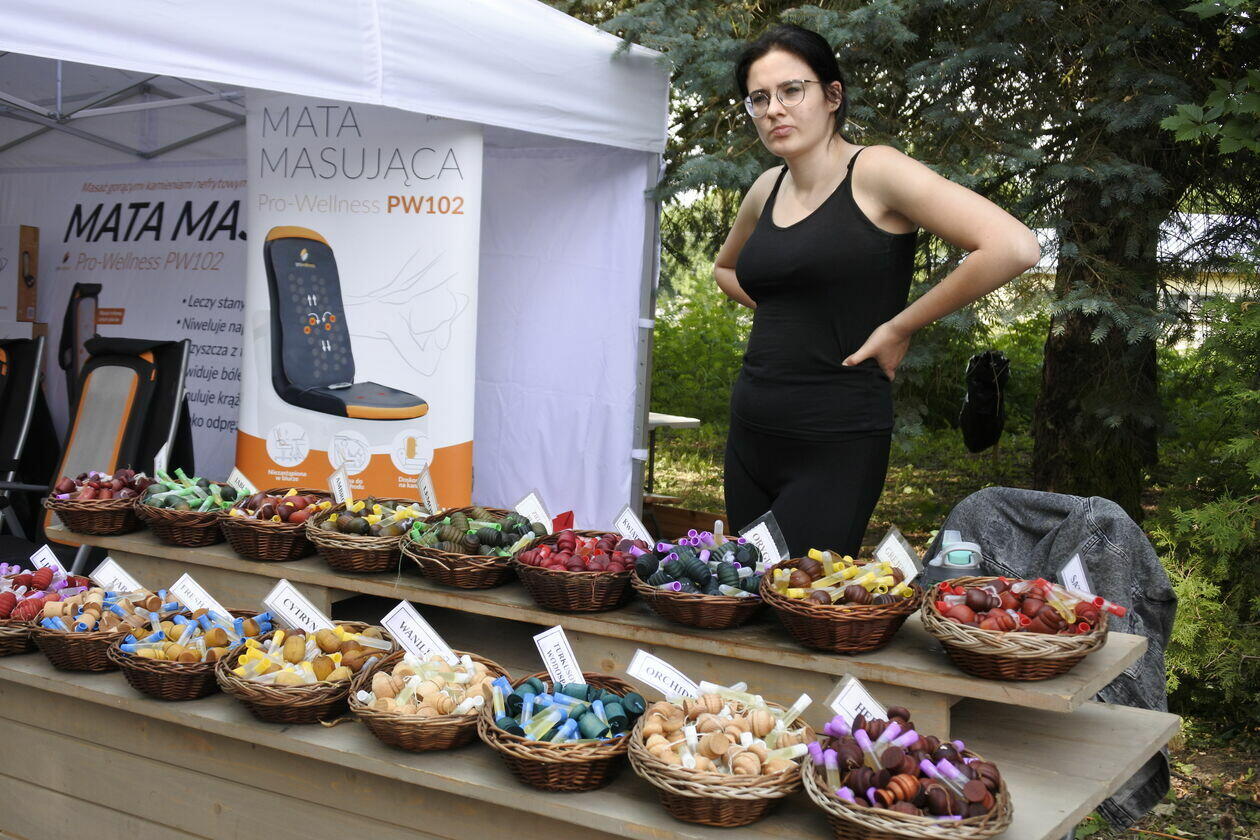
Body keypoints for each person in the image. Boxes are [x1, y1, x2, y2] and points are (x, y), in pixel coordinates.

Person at [716, 24, 1041, 558]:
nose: (774, 109)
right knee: (743, 589)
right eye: (759, 98)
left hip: (835, 438)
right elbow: (725, 269)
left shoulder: (875, 171)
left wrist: (898, 327)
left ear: (832, 96)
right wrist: (792, 310)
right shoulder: (766, 188)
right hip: (750, 432)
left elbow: (1013, 246)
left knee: (801, 597)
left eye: (792, 90)